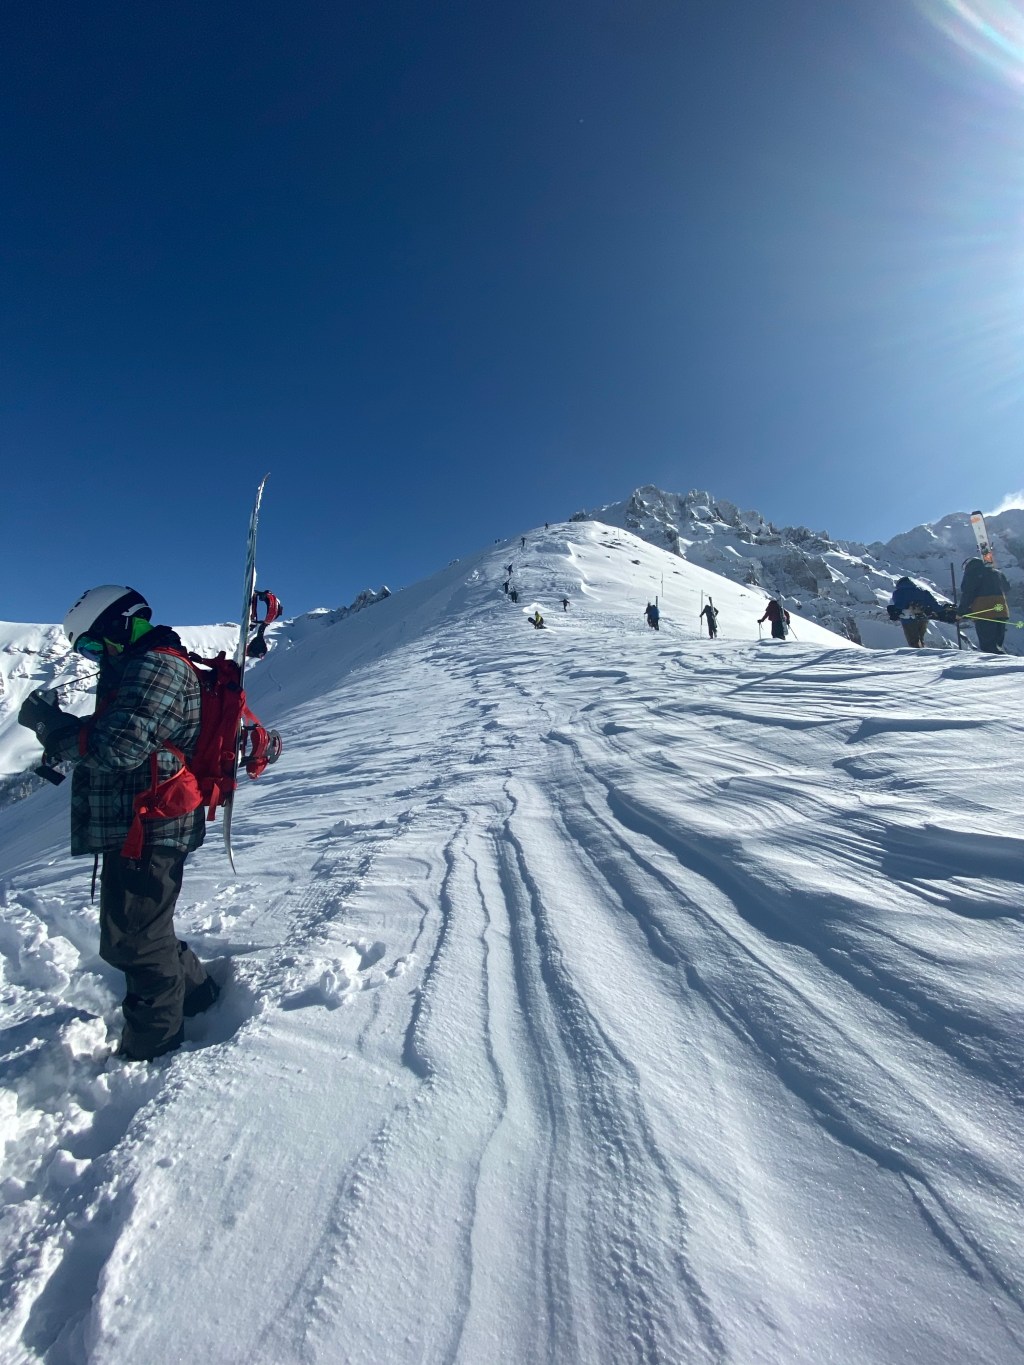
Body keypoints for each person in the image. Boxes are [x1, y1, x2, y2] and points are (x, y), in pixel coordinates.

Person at [17, 585, 219, 1061]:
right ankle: (198, 995)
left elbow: (115, 748)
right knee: (141, 933)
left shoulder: (156, 667)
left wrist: (49, 725)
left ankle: (153, 1049)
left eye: (90, 644)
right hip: (142, 825)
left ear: (119, 625)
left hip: (152, 828)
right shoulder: (136, 668)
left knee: (135, 944)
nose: (90, 657)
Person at [958, 557, 1010, 653]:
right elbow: (1007, 587)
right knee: (997, 644)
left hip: (985, 612)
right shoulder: (997, 573)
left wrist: (961, 610)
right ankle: (1002, 664)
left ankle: (993, 666)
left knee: (988, 645)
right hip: (1002, 611)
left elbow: (968, 592)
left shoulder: (972, 573)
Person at [885, 576, 956, 648]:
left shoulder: (898, 593)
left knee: (913, 642)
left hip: (908, 620)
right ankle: (922, 651)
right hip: (923, 618)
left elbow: (899, 606)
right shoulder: (922, 592)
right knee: (921, 639)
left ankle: (919, 656)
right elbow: (935, 606)